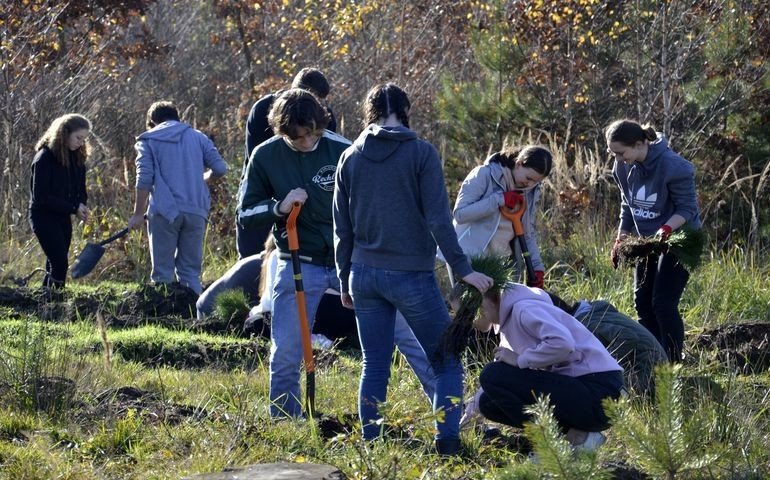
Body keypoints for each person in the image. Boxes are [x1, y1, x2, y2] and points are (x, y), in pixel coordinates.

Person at [333, 83, 493, 455]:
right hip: (410, 277)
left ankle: (371, 444)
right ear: (406, 110)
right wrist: (462, 269)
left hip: (363, 275)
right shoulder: (421, 153)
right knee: (447, 360)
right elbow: (439, 219)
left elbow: (341, 227)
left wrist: (344, 279)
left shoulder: (349, 156)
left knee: (374, 363)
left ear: (368, 111)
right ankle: (448, 443)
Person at [238, 88, 352, 418]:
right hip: (297, 260)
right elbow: (244, 214)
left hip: (346, 261)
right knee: (286, 348)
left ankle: (375, 416)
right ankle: (286, 419)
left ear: (320, 125)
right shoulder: (265, 156)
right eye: (296, 138)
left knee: (387, 337)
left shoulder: (342, 150)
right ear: (282, 132)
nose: (305, 142)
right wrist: (279, 207)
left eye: (311, 135)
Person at [467, 283, 624, 451]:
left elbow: (563, 344)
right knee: (487, 403)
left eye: (471, 308)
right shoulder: (506, 324)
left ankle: (553, 445)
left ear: (491, 299)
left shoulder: (524, 309)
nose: (469, 317)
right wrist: (471, 411)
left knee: (491, 375)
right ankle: (578, 438)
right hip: (578, 393)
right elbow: (504, 376)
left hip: (599, 391)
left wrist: (521, 359)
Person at [606, 119, 702, 362]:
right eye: (612, 153)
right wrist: (621, 240)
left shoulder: (675, 167)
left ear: (639, 144)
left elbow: (688, 208)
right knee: (643, 303)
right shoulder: (622, 167)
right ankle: (653, 359)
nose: (617, 158)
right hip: (647, 240)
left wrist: (666, 229)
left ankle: (672, 363)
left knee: (662, 303)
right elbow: (627, 205)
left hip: (681, 237)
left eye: (620, 152)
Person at [127, 101, 228, 295]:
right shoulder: (199, 137)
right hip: (197, 210)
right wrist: (204, 178)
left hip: (164, 212)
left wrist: (138, 214)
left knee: (163, 273)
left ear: (152, 121)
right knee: (190, 273)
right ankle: (194, 318)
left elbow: (144, 178)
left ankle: (165, 318)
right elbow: (220, 169)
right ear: (177, 117)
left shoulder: (148, 140)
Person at [238, 67, 338, 259]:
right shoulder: (262, 110)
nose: (315, 105)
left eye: (320, 101)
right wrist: (279, 205)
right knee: (253, 258)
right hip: (265, 192)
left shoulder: (322, 116)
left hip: (302, 201)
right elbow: (257, 161)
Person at [450, 145, 552, 288]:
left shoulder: (530, 191)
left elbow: (528, 232)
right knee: (465, 306)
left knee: (497, 308)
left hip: (499, 261)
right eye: (529, 178)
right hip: (467, 257)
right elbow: (460, 215)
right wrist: (499, 199)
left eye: (536, 181)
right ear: (518, 163)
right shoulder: (484, 174)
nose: (530, 184)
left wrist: (537, 268)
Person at [546, 293, 667, 397]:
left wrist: (604, 363)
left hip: (650, 374)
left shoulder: (589, 324)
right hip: (655, 370)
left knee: (597, 389)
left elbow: (628, 337)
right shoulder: (590, 314)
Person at [29, 114, 91, 289]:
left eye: (84, 139)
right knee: (60, 262)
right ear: (64, 134)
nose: (81, 142)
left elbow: (80, 189)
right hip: (43, 217)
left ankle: (45, 297)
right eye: (78, 137)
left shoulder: (77, 157)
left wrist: (81, 205)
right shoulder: (44, 157)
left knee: (56, 260)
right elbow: (40, 197)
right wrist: (73, 207)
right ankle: (55, 301)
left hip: (63, 216)